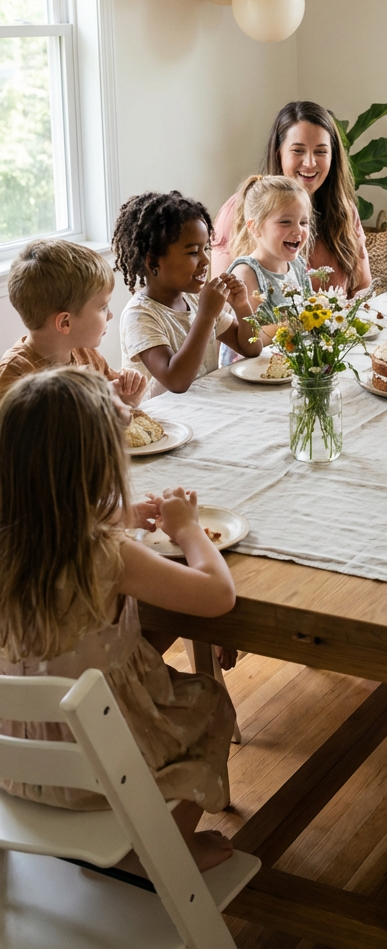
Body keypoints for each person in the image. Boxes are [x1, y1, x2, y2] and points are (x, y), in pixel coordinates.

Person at [0, 367, 236, 872]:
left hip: (19, 766)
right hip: (107, 769)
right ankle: (164, 855)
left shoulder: (12, 540)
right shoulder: (106, 557)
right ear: (100, 468)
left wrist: (122, 515)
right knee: (210, 704)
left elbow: (56, 516)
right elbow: (218, 595)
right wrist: (188, 530)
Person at [212, 102, 372, 296]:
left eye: (321, 151)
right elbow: (222, 306)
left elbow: (362, 288)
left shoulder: (344, 211)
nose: (310, 162)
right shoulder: (240, 208)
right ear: (279, 154)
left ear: (333, 157)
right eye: (298, 150)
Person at [114, 190, 258, 397]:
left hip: (201, 408)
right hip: (163, 420)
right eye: (192, 252)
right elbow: (176, 381)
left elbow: (251, 348)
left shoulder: (195, 300)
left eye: (205, 248)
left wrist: (242, 305)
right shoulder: (140, 316)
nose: (206, 260)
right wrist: (206, 316)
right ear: (153, 261)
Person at [0, 238, 145, 407]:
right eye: (103, 307)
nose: (110, 315)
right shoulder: (13, 379)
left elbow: (113, 406)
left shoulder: (87, 355)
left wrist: (125, 399)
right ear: (65, 323)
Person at [222, 174, 313, 358]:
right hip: (252, 372)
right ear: (254, 227)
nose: (298, 230)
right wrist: (294, 326)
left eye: (303, 222)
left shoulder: (297, 265)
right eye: (285, 222)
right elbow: (248, 341)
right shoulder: (246, 273)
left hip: (290, 367)